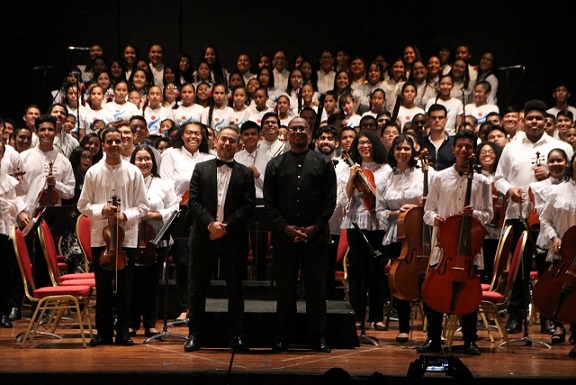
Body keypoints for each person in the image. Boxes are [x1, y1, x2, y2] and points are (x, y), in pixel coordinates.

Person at [494, 99, 573, 334]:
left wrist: (551, 173)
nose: (535, 122)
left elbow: (570, 179)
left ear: (545, 121)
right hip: (518, 215)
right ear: (523, 121)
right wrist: (510, 190)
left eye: (539, 118)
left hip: (549, 220)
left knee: (548, 271)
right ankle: (516, 316)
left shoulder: (560, 147)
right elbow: (499, 178)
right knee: (519, 269)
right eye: (530, 118)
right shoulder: (511, 147)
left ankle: (549, 316)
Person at [264, 117, 336, 353]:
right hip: (285, 237)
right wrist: (285, 227)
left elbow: (329, 201)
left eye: (301, 128)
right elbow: (269, 202)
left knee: (316, 290)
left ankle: (319, 338)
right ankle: (283, 337)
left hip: (315, 237)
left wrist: (313, 227)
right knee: (285, 290)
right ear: (287, 133)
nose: (297, 132)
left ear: (309, 132)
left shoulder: (324, 163)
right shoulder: (275, 164)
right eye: (293, 128)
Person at [419, 129, 493, 355]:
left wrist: (475, 215)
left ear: (474, 151)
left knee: (468, 291)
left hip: (468, 247)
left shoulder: (482, 182)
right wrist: (437, 219)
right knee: (434, 290)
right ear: (453, 149)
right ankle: (433, 338)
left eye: (468, 147)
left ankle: (470, 339)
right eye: (460, 146)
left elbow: (489, 214)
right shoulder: (439, 178)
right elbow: (427, 211)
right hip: (444, 247)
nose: (463, 150)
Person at [184, 126, 255, 352]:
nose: (227, 144)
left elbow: (248, 206)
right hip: (204, 237)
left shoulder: (245, 173)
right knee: (198, 288)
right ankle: (194, 335)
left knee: (235, 290)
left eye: (232, 141)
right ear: (215, 142)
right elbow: (193, 202)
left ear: (238, 145)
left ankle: (237, 335)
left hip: (233, 238)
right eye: (224, 139)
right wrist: (210, 224)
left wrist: (225, 227)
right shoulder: (200, 168)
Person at [77, 127, 149, 347]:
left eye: (118, 141)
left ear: (124, 142)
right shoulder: (93, 172)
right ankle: (104, 333)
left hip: (126, 238)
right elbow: (82, 206)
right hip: (102, 239)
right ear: (103, 144)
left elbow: (143, 207)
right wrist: (101, 211)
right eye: (110, 142)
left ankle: (124, 333)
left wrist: (125, 214)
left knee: (125, 289)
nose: (114, 145)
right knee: (104, 288)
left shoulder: (133, 172)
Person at [159, 122, 215, 321]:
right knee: (183, 261)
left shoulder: (211, 158)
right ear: (182, 136)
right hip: (179, 212)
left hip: (203, 215)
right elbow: (166, 186)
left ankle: (200, 306)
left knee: (201, 262)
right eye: (189, 133)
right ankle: (185, 307)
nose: (194, 137)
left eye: (198, 133)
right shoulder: (170, 155)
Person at [128, 144, 179, 338]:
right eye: (139, 159)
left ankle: (150, 324)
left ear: (153, 161)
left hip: (155, 240)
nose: (143, 162)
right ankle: (132, 323)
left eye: (147, 159)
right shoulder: (127, 182)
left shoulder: (164, 184)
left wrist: (154, 214)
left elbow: (174, 209)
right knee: (133, 283)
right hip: (132, 239)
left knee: (151, 283)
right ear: (133, 161)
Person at [341, 129, 388, 332]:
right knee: (357, 272)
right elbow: (347, 197)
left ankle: (377, 316)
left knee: (376, 272)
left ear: (375, 145)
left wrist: (375, 195)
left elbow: (387, 196)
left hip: (377, 223)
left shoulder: (386, 170)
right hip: (356, 223)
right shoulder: (349, 168)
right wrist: (352, 177)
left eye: (368, 142)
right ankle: (357, 315)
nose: (364, 146)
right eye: (360, 143)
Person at [539, 151, 576, 357]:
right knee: (559, 287)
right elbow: (545, 219)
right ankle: (558, 323)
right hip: (565, 250)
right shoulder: (558, 191)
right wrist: (555, 237)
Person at [529, 148, 569, 338]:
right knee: (552, 284)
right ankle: (553, 323)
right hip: (551, 240)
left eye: (559, 160)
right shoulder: (542, 187)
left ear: (567, 163)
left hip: (571, 240)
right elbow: (542, 215)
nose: (555, 165)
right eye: (552, 161)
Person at [234, 120, 271, 280]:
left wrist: (257, 175)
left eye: (253, 134)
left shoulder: (267, 158)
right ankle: (240, 280)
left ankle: (260, 280)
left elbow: (270, 186)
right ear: (241, 137)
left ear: (259, 136)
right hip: (240, 204)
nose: (250, 137)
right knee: (240, 245)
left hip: (261, 204)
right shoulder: (236, 157)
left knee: (260, 247)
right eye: (246, 134)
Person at [0, 141, 19, 328]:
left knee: (4, 272)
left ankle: (3, 312)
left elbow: (14, 205)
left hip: (2, 230)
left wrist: (6, 205)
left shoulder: (7, 179)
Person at [418, 104, 456, 170]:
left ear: (446, 120)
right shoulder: (420, 143)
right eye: (433, 118)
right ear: (428, 120)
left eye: (440, 118)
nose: (437, 120)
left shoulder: (454, 142)